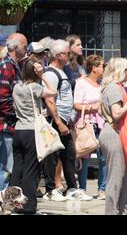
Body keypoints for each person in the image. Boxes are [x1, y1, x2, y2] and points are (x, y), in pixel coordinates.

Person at [9, 58, 57, 214]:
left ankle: (12, 205)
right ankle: (28, 207)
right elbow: (53, 91)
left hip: (18, 130)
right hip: (31, 132)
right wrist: (43, 75)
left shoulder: (16, 87)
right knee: (31, 171)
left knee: (17, 169)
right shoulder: (35, 87)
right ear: (35, 71)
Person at [42, 39, 83, 201]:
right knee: (52, 155)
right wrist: (58, 122)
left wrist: (68, 119)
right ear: (59, 55)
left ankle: (72, 187)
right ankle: (50, 190)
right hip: (55, 121)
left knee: (69, 154)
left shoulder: (62, 71)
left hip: (64, 120)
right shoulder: (51, 74)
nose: (69, 55)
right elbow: (50, 101)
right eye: (67, 53)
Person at [99, 58, 127, 215]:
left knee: (122, 179)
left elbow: (102, 112)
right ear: (120, 71)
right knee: (115, 179)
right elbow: (116, 114)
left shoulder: (114, 87)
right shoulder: (114, 88)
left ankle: (118, 211)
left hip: (116, 133)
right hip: (114, 134)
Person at [73, 55, 106, 201]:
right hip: (86, 123)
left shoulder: (102, 85)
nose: (104, 68)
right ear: (94, 68)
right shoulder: (81, 83)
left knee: (103, 157)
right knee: (84, 155)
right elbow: (76, 104)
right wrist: (93, 108)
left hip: (102, 124)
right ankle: (81, 188)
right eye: (102, 65)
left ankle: (102, 189)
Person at [0, 33, 27, 190]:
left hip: (11, 125)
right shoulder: (6, 66)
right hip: (6, 125)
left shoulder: (16, 65)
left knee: (8, 167)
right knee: (6, 168)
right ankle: (3, 205)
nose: (26, 49)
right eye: (25, 46)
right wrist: (17, 115)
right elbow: (3, 98)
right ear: (17, 48)